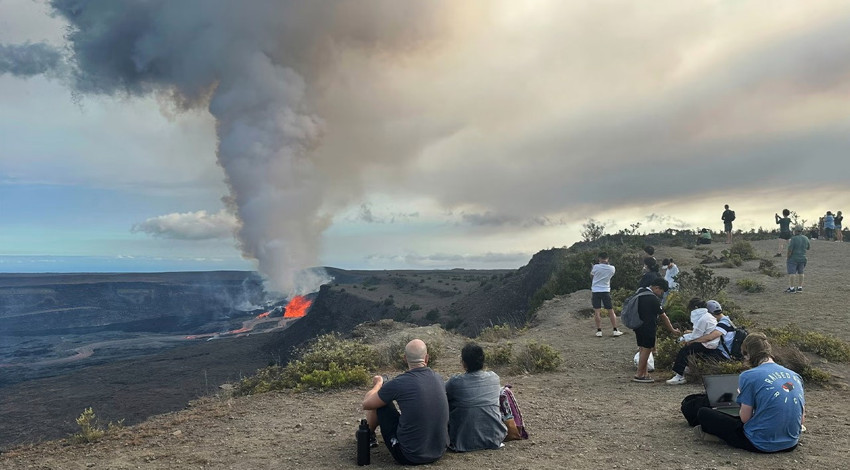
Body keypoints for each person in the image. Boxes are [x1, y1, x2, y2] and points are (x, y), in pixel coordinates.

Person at [695, 333, 805, 453]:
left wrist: (741, 396)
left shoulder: (748, 376)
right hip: (791, 443)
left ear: (748, 354)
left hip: (760, 442)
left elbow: (745, 419)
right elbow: (802, 419)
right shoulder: (795, 376)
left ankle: (716, 437)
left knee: (704, 413)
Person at [362, 339, 449, 465]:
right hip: (439, 451)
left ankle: (367, 436)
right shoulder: (438, 378)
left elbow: (367, 404)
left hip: (409, 455)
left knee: (380, 403)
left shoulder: (399, 382)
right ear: (426, 358)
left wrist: (378, 384)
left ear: (404, 359)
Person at [445, 343, 507, 452]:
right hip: (494, 438)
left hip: (462, 441)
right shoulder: (494, 378)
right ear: (483, 361)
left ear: (464, 363)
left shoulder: (455, 382)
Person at [633, 278, 681, 383]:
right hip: (648, 326)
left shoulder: (640, 292)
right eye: (661, 291)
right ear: (656, 287)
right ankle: (639, 374)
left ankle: (644, 373)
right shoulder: (652, 298)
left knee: (642, 348)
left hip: (638, 325)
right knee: (647, 349)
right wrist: (672, 330)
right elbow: (663, 316)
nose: (661, 294)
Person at [666, 298, 722, 385]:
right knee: (689, 349)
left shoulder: (702, 319)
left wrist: (683, 338)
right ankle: (686, 369)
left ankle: (679, 375)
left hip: (708, 344)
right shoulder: (707, 316)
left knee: (684, 351)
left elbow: (696, 336)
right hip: (712, 343)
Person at [590, 252, 623, 337]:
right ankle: (615, 329)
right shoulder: (612, 268)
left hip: (596, 290)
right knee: (610, 310)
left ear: (599, 258)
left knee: (597, 311)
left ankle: (599, 331)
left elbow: (592, 276)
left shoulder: (596, 267)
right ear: (607, 258)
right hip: (605, 290)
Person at [786, 225, 811, 294]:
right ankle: (800, 287)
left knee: (792, 273)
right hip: (803, 258)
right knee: (801, 272)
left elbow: (790, 250)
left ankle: (792, 288)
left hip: (793, 258)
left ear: (796, 231)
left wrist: (788, 257)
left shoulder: (793, 239)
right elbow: (808, 247)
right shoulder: (806, 238)